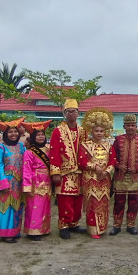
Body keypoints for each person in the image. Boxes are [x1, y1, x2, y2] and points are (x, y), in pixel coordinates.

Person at [49, 99, 87, 239]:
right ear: (64, 114)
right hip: (64, 172)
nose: (71, 114)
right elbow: (54, 152)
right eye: (68, 112)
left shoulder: (83, 131)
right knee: (65, 200)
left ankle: (74, 223)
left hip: (80, 172)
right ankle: (64, 225)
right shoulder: (58, 131)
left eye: (74, 111)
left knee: (78, 199)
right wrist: (55, 172)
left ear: (78, 113)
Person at [78, 109, 116, 239]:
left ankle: (102, 227)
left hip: (105, 179)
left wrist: (106, 171)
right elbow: (81, 161)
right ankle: (93, 229)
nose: (99, 133)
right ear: (91, 131)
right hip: (90, 179)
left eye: (101, 131)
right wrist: (95, 167)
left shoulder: (108, 146)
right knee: (93, 203)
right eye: (96, 131)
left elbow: (112, 160)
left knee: (104, 203)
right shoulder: (85, 145)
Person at [111, 114, 138, 235]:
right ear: (124, 126)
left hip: (135, 177)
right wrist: (118, 166)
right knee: (119, 202)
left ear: (136, 126)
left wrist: (137, 168)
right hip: (120, 176)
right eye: (128, 125)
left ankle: (131, 225)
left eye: (133, 125)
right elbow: (112, 156)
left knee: (134, 202)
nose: (131, 127)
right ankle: (117, 225)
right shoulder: (118, 140)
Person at [0, 122, 27, 242]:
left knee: (17, 207)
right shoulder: (0, 148)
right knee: (6, 208)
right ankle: (5, 233)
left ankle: (15, 231)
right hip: (5, 181)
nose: (13, 134)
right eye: (10, 132)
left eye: (15, 131)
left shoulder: (22, 146)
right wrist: (2, 184)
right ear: (5, 134)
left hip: (18, 182)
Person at [21, 122, 53, 241]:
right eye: (38, 135)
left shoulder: (48, 149)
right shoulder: (29, 152)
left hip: (47, 181)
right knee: (34, 207)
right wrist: (27, 186)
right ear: (33, 137)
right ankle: (33, 231)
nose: (41, 137)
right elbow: (27, 170)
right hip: (35, 182)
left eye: (42, 134)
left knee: (45, 206)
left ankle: (44, 229)